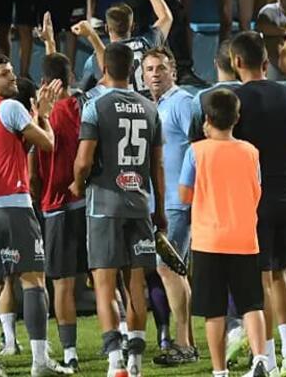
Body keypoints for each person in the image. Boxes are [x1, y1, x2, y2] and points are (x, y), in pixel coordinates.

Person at [0, 54, 71, 377]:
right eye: (4, 74)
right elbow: (48, 143)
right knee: (34, 280)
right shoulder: (11, 107)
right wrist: (45, 115)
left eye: (11, 71)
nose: (12, 77)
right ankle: (40, 361)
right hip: (13, 207)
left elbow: (14, 149)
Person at [70, 42, 165, 377]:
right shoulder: (150, 108)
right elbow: (157, 166)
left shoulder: (95, 106)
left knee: (104, 285)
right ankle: (136, 361)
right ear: (134, 69)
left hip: (104, 206)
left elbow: (83, 161)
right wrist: (159, 209)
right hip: (139, 205)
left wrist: (77, 184)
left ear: (104, 69)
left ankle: (115, 362)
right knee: (136, 285)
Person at [178, 89, 270, 377]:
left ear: (207, 118)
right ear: (236, 118)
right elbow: (257, 191)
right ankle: (260, 360)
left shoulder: (196, 151)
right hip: (244, 238)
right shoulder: (251, 151)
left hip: (209, 240)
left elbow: (184, 195)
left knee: (214, 311)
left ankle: (220, 371)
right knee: (251, 304)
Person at [228, 32, 286, 376]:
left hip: (256, 196)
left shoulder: (236, 99)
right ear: (265, 61)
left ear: (236, 62)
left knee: (261, 279)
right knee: (281, 274)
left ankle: (269, 360)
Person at [138, 48, 196, 366]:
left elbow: (199, 147)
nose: (155, 74)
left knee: (168, 269)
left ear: (173, 70)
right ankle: (186, 342)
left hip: (177, 201)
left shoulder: (183, 102)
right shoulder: (153, 106)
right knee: (171, 270)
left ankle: (183, 343)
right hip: (160, 201)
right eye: (149, 69)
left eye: (160, 68)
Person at [28, 53, 85, 370]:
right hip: (85, 203)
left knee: (62, 284)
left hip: (54, 207)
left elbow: (32, 170)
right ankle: (118, 346)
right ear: (70, 78)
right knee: (105, 278)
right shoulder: (81, 108)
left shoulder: (37, 117)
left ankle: (70, 353)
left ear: (43, 82)